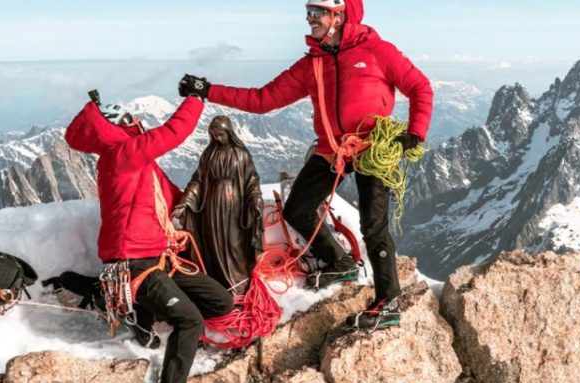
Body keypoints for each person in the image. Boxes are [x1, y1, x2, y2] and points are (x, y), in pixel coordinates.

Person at [178, 0, 433, 330]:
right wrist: (207, 90)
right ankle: (339, 262)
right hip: (332, 151)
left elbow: (419, 87)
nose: (309, 19)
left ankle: (389, 301)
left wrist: (416, 131)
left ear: (338, 17)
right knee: (298, 208)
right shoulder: (313, 64)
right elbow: (263, 99)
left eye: (317, 13)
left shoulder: (376, 50)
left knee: (374, 225)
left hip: (372, 150)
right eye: (309, 12)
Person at [64, 90, 232, 383]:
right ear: (114, 128)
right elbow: (173, 133)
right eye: (128, 119)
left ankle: (135, 313)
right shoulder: (121, 154)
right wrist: (197, 98)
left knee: (220, 302)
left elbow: (171, 198)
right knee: (189, 321)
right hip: (133, 262)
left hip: (157, 258)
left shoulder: (140, 163)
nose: (137, 120)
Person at [174, 116, 265, 294]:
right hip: (210, 205)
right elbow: (198, 181)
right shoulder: (208, 154)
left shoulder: (241, 154)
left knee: (233, 243)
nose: (217, 139)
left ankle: (237, 284)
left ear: (229, 133)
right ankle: (219, 283)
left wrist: (255, 201)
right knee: (212, 243)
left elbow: (251, 181)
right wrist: (185, 201)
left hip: (234, 206)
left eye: (221, 135)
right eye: (214, 135)